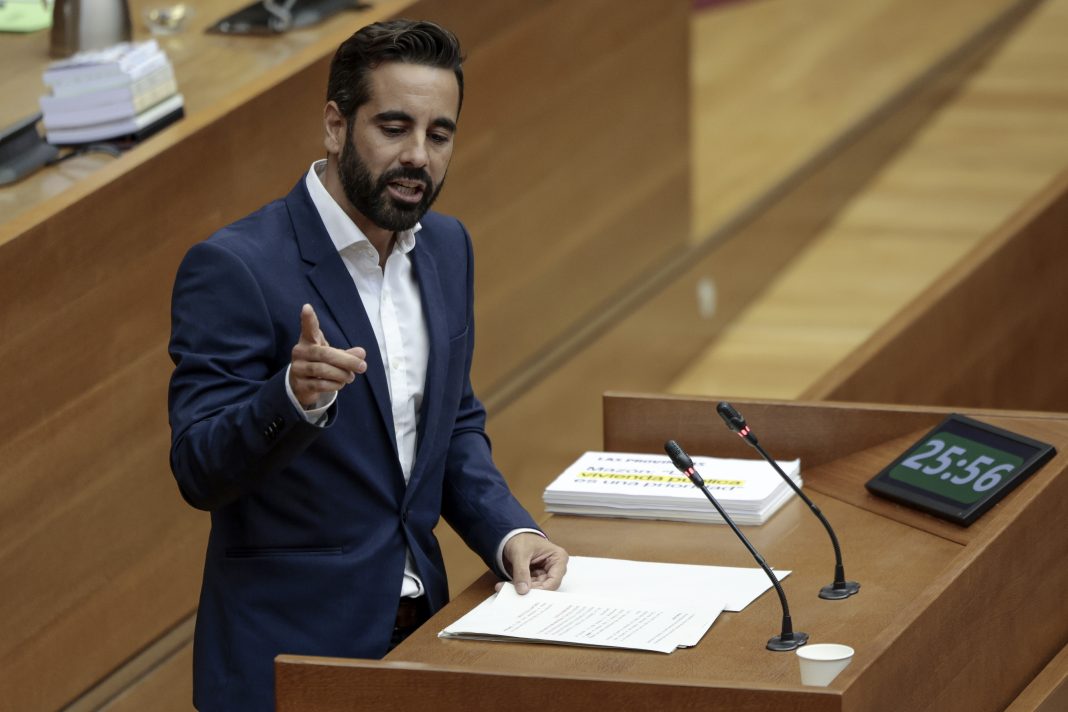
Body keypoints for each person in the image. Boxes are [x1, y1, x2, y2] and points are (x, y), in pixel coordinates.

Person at [167, 19, 568, 711]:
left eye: (439, 135)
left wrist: (509, 531)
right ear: (335, 125)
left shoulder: (446, 247)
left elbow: (451, 426)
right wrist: (291, 400)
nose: (417, 156)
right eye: (394, 127)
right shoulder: (236, 267)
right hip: (289, 665)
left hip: (420, 641)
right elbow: (198, 470)